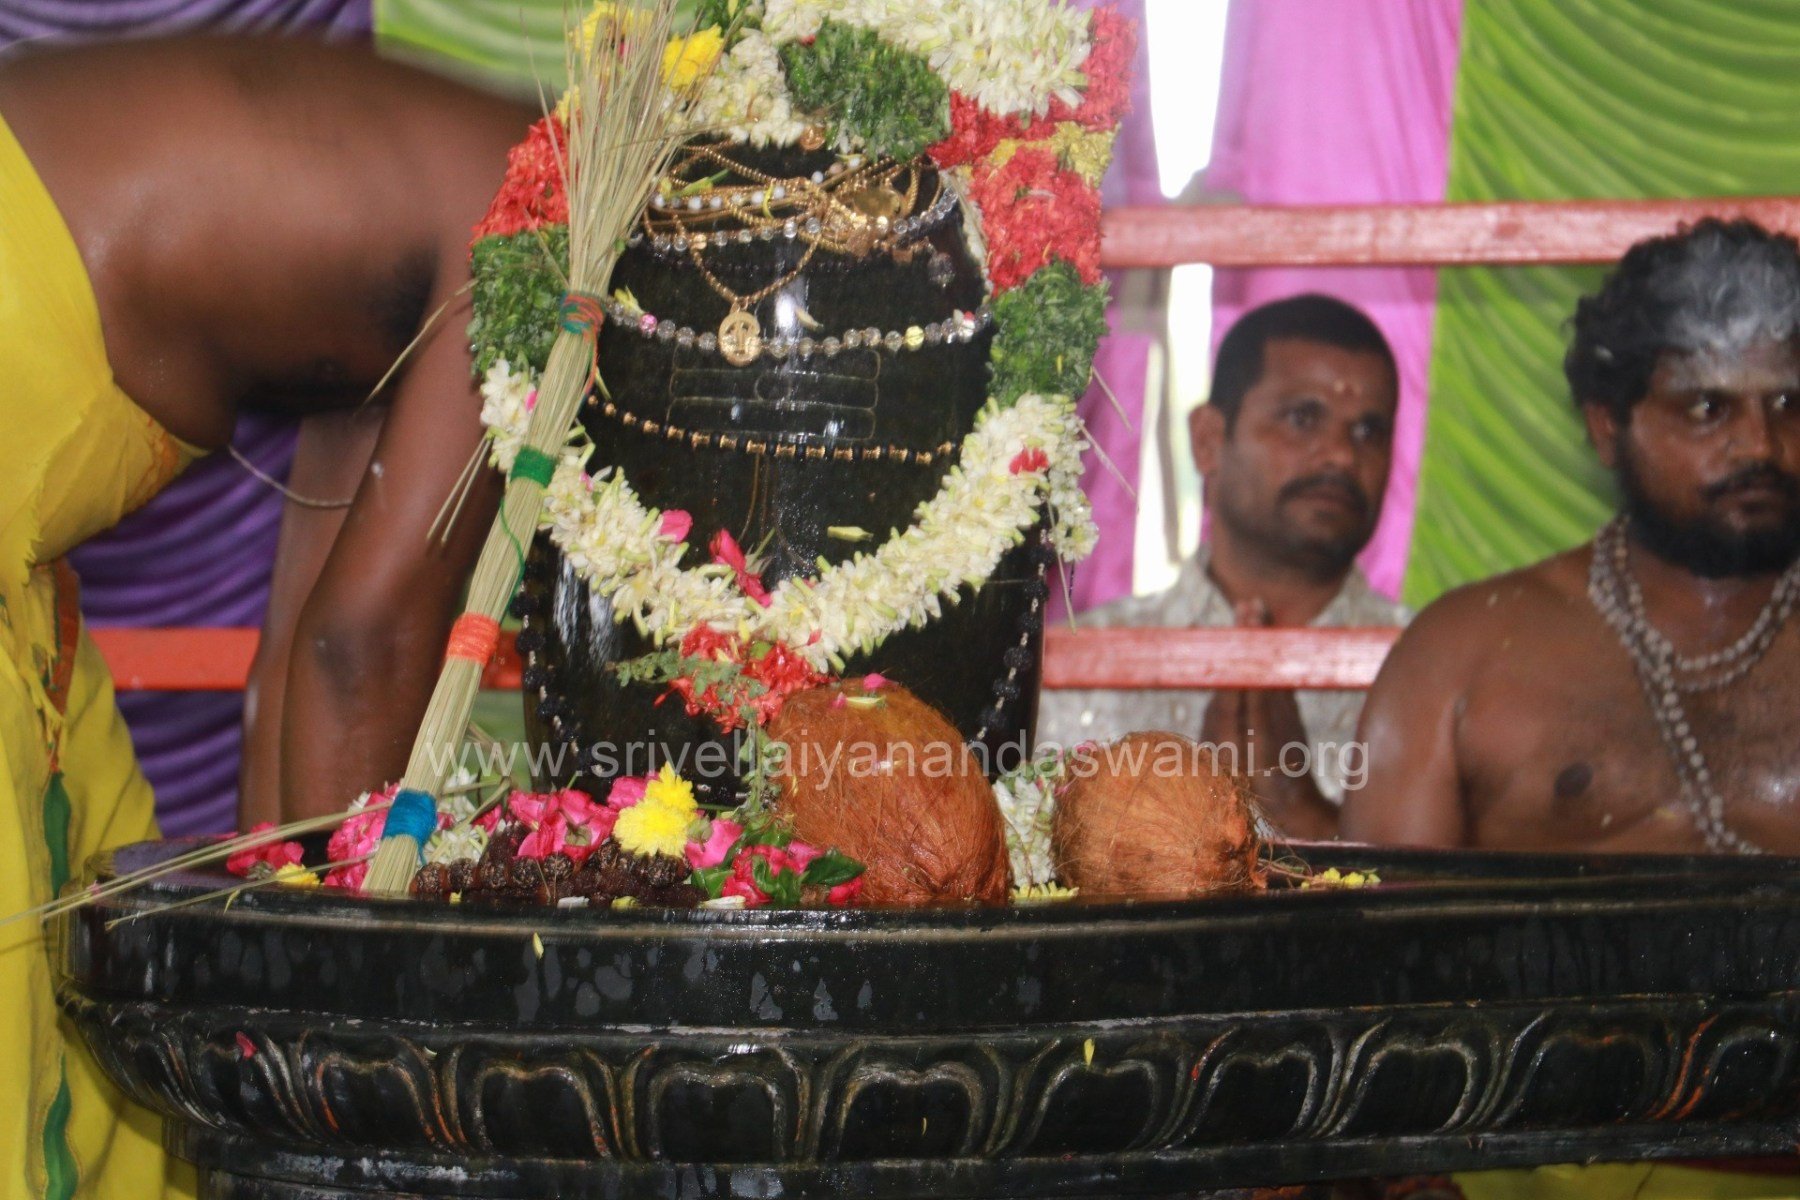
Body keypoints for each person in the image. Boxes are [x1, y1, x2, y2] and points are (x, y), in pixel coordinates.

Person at [0, 36, 533, 1198]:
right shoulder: (551, 240)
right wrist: (360, 1108)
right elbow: (367, 647)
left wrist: (286, 1059)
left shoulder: (403, 227)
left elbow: (301, 661)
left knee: (108, 952)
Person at [1343, 218, 1800, 855]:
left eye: (1788, 406)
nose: (1759, 445)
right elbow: (1387, 912)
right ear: (1608, 427)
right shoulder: (1460, 653)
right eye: (1706, 408)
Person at [1038, 294, 1409, 839]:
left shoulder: (1428, 668)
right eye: (1302, 418)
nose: (1341, 456)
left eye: (1368, 432)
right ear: (1209, 440)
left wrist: (1299, 811)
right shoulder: (1074, 667)